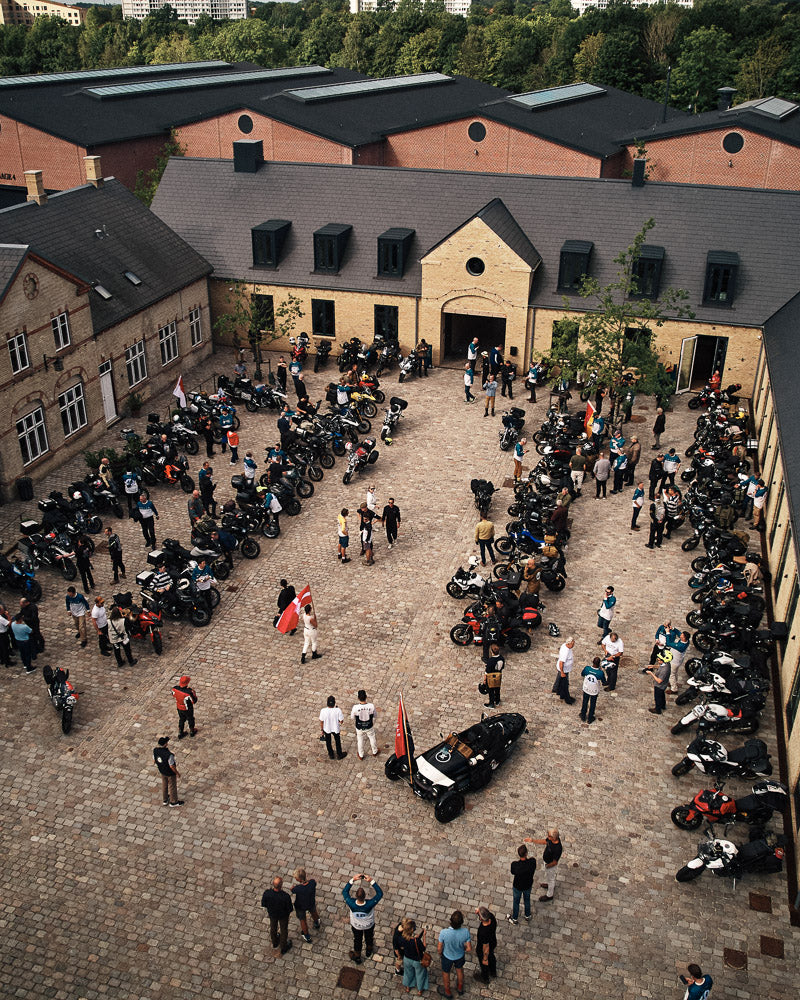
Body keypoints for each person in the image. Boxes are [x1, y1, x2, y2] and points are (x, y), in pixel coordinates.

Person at [342, 873, 383, 964]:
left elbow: (344, 892)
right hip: (369, 925)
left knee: (357, 940)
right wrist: (371, 881)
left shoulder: (351, 903)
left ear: (356, 896)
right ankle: (369, 950)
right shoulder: (370, 904)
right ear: (365, 896)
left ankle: (357, 957)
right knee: (369, 937)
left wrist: (353, 879)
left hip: (357, 926)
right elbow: (380, 893)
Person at [437, 910, 471, 998]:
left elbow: (439, 948)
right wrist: (463, 948)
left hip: (447, 956)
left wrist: (440, 953)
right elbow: (469, 948)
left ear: (451, 921)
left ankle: (447, 991)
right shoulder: (465, 932)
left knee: (446, 973)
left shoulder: (444, 932)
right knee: (459, 970)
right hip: (459, 956)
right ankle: (460, 988)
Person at [261, 876, 293, 956]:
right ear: (281, 885)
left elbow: (264, 904)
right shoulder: (285, 896)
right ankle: (283, 946)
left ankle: (275, 942)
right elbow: (290, 908)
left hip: (272, 914)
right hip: (283, 915)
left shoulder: (267, 893)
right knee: (283, 930)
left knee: (273, 927)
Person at [529, 828, 562, 902]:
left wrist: (547, 866)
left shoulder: (558, 848)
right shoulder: (550, 840)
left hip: (550, 865)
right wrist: (533, 840)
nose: (548, 837)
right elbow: (544, 841)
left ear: (554, 838)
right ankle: (549, 884)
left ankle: (550, 895)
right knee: (549, 877)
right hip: (547, 862)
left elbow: (555, 862)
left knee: (551, 879)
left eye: (549, 836)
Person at [507, 844, 536, 924]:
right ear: (526, 853)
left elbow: (512, 872)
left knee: (516, 902)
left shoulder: (515, 865)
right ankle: (527, 915)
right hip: (528, 885)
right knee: (527, 899)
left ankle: (515, 918)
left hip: (517, 886)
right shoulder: (532, 862)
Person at [291, 868, 320, 944]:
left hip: (301, 906)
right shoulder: (312, 883)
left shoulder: (298, 888)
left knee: (303, 920)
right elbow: (313, 883)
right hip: (311, 903)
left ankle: (307, 936)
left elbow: (293, 890)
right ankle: (317, 923)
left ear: (299, 879)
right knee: (313, 912)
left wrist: (292, 888)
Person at [400, 918, 429, 995]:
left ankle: (408, 987)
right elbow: (423, 948)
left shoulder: (402, 938)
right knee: (420, 974)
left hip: (407, 959)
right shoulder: (416, 941)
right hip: (417, 960)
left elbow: (402, 946)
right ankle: (420, 990)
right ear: (412, 930)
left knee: (408, 973)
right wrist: (424, 936)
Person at [153, 735, 182, 807]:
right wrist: (177, 773)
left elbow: (154, 760)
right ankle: (173, 802)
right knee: (172, 786)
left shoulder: (155, 750)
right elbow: (171, 766)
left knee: (164, 785)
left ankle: (165, 799)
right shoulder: (169, 755)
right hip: (170, 773)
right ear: (165, 744)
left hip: (162, 771)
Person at [351, 689, 379, 759]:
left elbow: (352, 717)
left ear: (358, 698)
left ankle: (361, 755)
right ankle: (375, 751)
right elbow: (375, 715)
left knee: (360, 739)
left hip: (359, 726)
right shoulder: (371, 706)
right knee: (372, 737)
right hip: (369, 726)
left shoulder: (355, 707)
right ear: (366, 697)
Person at [474, 907, 497, 985]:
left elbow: (486, 948)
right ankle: (493, 972)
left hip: (483, 948)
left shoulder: (483, 931)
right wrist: (479, 912)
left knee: (484, 963)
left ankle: (485, 978)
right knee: (492, 956)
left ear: (481, 918)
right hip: (493, 942)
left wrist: (485, 958)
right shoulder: (491, 917)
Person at [580, 656, 607, 725]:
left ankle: (583, 715)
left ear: (592, 662)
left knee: (585, 702)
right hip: (594, 691)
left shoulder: (587, 669)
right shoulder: (600, 673)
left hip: (586, 688)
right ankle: (590, 717)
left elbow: (582, 674)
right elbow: (604, 682)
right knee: (593, 704)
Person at [646, 648, 673, 715]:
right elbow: (660, 666)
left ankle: (658, 710)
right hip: (663, 686)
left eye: (659, 659)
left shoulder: (664, 670)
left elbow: (659, 681)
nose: (658, 660)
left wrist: (651, 673)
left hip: (659, 686)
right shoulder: (666, 664)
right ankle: (663, 705)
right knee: (662, 695)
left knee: (657, 698)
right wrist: (653, 666)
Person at [320, 695, 347, 760]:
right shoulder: (338, 710)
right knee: (337, 741)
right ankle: (339, 754)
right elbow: (341, 721)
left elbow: (321, 722)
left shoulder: (323, 711)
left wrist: (322, 730)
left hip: (327, 729)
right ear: (334, 703)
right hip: (335, 729)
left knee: (328, 742)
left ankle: (331, 754)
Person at [552, 636, 575, 704]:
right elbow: (561, 663)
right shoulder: (565, 652)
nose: (573, 645)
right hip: (564, 670)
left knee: (559, 679)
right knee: (564, 682)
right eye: (572, 644)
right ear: (568, 643)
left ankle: (555, 688)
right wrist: (562, 672)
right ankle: (562, 693)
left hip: (565, 669)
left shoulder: (565, 646)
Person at [667, 629, 691, 694]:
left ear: (684, 638)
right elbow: (678, 633)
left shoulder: (680, 646)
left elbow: (668, 643)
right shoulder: (687, 641)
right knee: (675, 673)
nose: (680, 636)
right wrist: (673, 628)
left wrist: (668, 633)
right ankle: (674, 682)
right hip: (678, 661)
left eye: (682, 636)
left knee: (671, 674)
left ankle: (674, 689)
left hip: (674, 661)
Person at [483, 643, 504, 707]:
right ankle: (497, 701)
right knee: (497, 688)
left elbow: (487, 672)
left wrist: (484, 680)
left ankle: (491, 703)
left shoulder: (490, 660)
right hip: (498, 676)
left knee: (491, 690)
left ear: (491, 651)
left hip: (491, 677)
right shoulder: (502, 658)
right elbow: (502, 667)